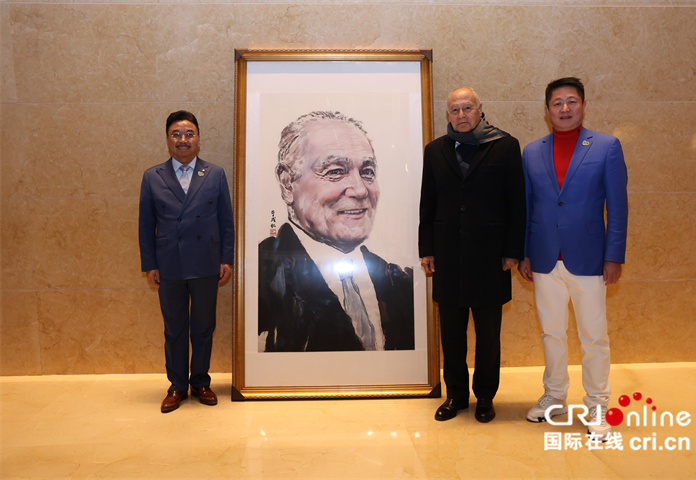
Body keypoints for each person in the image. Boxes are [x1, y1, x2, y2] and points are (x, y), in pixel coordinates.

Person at [519, 77, 628, 439]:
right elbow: (527, 207)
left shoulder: (607, 146)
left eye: (571, 101)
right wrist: (524, 252)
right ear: (546, 109)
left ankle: (597, 403)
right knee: (552, 332)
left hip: (590, 258)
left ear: (583, 105)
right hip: (544, 257)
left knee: (593, 336)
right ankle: (554, 395)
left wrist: (613, 256)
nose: (564, 109)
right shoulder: (531, 152)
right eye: (557, 103)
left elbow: (618, 206)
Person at [258, 111, 414, 352]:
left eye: (367, 171)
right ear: (288, 183)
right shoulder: (261, 279)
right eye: (335, 171)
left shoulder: (399, 281)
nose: (360, 190)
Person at [419, 87, 526, 423]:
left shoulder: (505, 146)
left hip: (491, 258)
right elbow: (427, 203)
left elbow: (516, 203)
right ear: (447, 114)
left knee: (488, 336)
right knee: (451, 334)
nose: (461, 114)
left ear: (480, 109)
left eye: (467, 108)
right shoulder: (434, 150)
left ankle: (485, 397)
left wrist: (512, 250)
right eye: (455, 109)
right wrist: (427, 249)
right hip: (448, 256)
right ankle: (456, 396)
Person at [138, 110, 235, 413]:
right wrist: (150, 264)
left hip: (206, 261)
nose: (183, 139)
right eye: (176, 134)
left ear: (198, 139)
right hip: (169, 263)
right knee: (174, 328)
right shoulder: (152, 176)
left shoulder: (215, 174)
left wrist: (226, 258)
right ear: (168, 139)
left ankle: (201, 382)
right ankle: (177, 385)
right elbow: (146, 224)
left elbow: (226, 221)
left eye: (189, 134)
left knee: (203, 326)